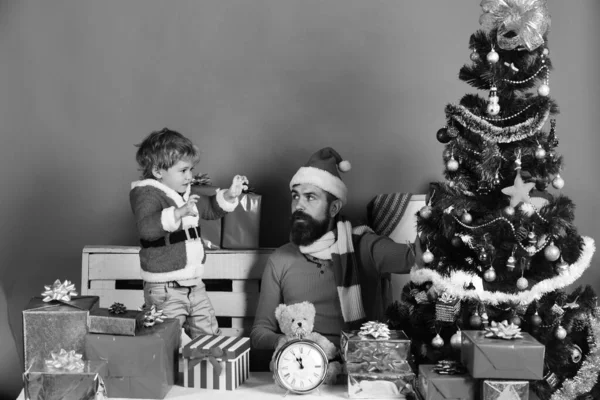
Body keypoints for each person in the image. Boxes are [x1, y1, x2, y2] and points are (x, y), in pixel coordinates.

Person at [251, 147, 421, 352]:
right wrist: (285, 344)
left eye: (310, 197)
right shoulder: (280, 260)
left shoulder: (363, 246)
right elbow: (260, 332)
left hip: (357, 366)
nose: (298, 206)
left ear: (334, 208)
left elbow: (414, 258)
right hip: (301, 366)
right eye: (295, 196)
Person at [130, 127, 248, 338]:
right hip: (164, 289)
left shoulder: (184, 195)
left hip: (194, 286)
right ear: (158, 171)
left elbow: (210, 209)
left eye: (191, 170)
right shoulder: (146, 194)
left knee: (209, 336)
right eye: (183, 170)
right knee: (164, 339)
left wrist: (230, 196)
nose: (190, 176)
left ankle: (210, 369)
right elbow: (147, 229)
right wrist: (176, 214)